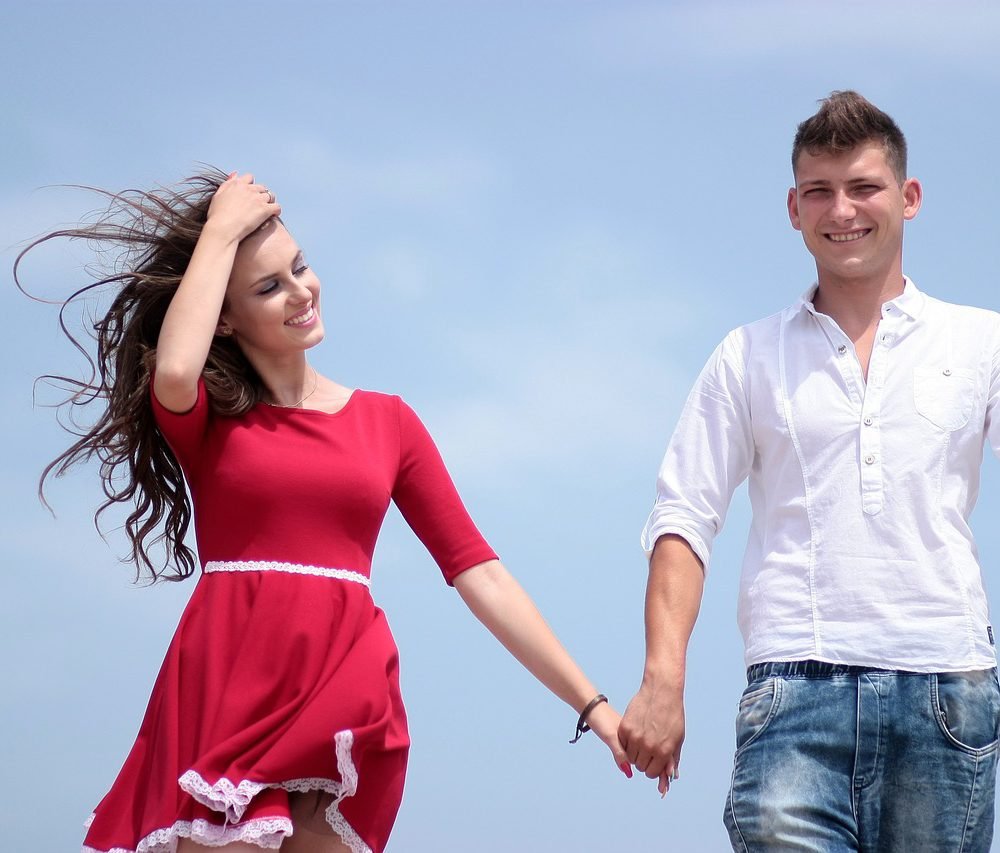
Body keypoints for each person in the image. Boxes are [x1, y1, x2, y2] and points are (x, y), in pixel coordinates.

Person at [17, 171, 630, 853]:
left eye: (300, 266)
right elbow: (174, 373)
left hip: (343, 697)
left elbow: (479, 571)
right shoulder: (210, 419)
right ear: (224, 315)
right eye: (268, 286)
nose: (301, 291)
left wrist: (592, 704)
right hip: (227, 691)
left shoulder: (388, 421)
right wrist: (219, 229)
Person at [618, 90, 1000, 851]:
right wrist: (664, 678)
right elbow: (684, 518)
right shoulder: (746, 354)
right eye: (820, 191)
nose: (843, 209)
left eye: (864, 187)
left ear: (909, 197)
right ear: (794, 209)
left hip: (948, 693)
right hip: (793, 698)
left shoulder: (981, 342)